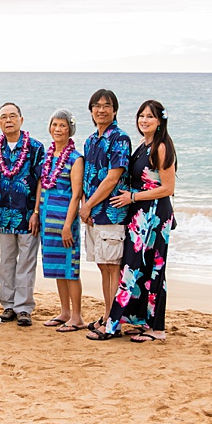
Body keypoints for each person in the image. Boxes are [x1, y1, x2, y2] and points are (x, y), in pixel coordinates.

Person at [89, 100, 177, 343]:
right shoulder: (143, 145)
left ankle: (152, 328)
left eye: (150, 117)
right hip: (138, 215)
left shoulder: (161, 147)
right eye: (141, 116)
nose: (144, 120)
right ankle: (140, 321)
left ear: (160, 121)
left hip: (154, 216)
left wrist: (133, 197)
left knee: (150, 269)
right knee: (138, 267)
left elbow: (168, 188)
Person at [0, 102, 46, 327]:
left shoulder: (35, 147)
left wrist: (36, 212)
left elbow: (42, 180)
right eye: (4, 117)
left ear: (21, 120)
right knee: (6, 262)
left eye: (13, 116)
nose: (8, 120)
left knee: (27, 262)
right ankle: (8, 306)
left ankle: (24, 308)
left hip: (27, 214)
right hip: (3, 214)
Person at [79, 89, 131, 332]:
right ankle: (109, 314)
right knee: (103, 266)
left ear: (115, 110)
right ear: (91, 110)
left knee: (113, 268)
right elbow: (88, 177)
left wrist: (88, 205)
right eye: (96, 106)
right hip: (94, 215)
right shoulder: (91, 140)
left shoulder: (120, 139)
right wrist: (86, 207)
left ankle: (114, 320)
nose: (101, 110)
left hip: (111, 213)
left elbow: (112, 178)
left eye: (106, 105)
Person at [38, 109, 87, 333]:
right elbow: (42, 184)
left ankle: (77, 316)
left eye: (63, 126)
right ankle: (65, 312)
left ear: (70, 130)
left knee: (70, 269)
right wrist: (36, 213)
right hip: (48, 219)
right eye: (55, 125)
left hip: (64, 221)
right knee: (58, 268)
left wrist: (68, 225)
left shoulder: (75, 159)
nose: (58, 129)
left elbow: (76, 194)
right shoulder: (48, 157)